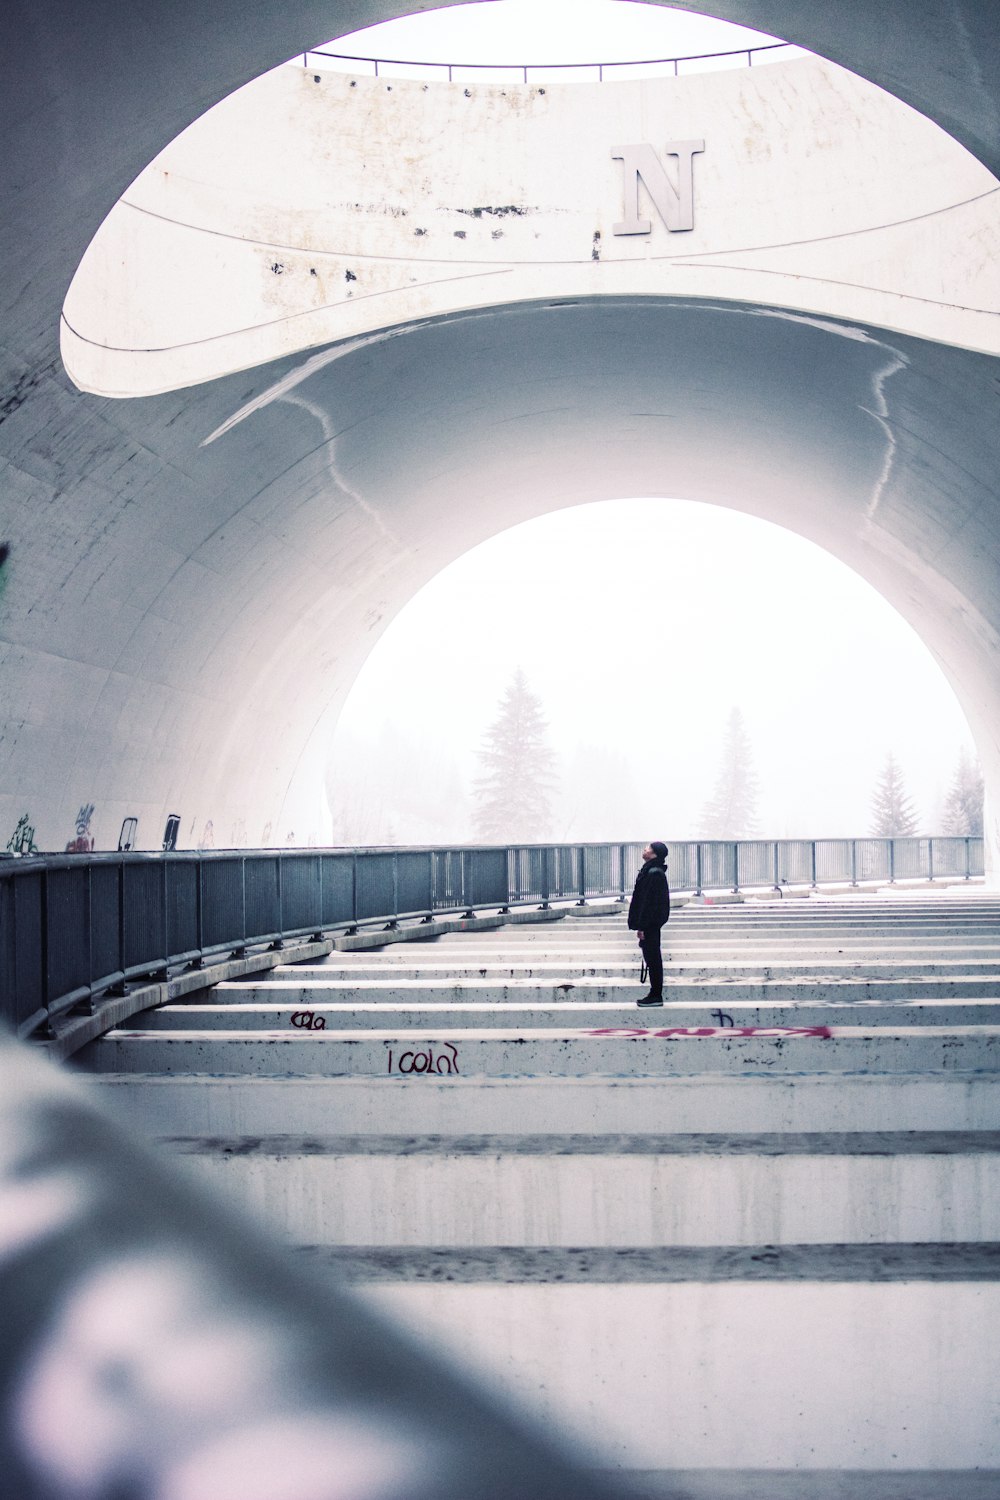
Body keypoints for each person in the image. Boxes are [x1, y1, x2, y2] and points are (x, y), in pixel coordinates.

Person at [627, 841, 670, 1006]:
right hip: (649, 924)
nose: (644, 850)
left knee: (653, 958)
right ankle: (654, 993)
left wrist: (643, 926)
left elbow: (650, 903)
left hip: (650, 924)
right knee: (651, 957)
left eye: (648, 848)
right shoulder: (651, 871)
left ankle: (656, 994)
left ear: (654, 854)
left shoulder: (654, 873)